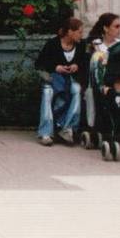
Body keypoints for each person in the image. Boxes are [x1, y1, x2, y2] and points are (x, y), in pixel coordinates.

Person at [33, 16, 87, 145]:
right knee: (47, 92)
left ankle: (67, 128)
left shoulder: (81, 46)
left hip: (71, 78)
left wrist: (76, 66)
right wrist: (56, 67)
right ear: (70, 32)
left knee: (77, 89)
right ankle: (45, 132)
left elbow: (84, 64)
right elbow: (39, 63)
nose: (81, 35)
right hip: (53, 78)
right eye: (79, 32)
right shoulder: (53, 44)